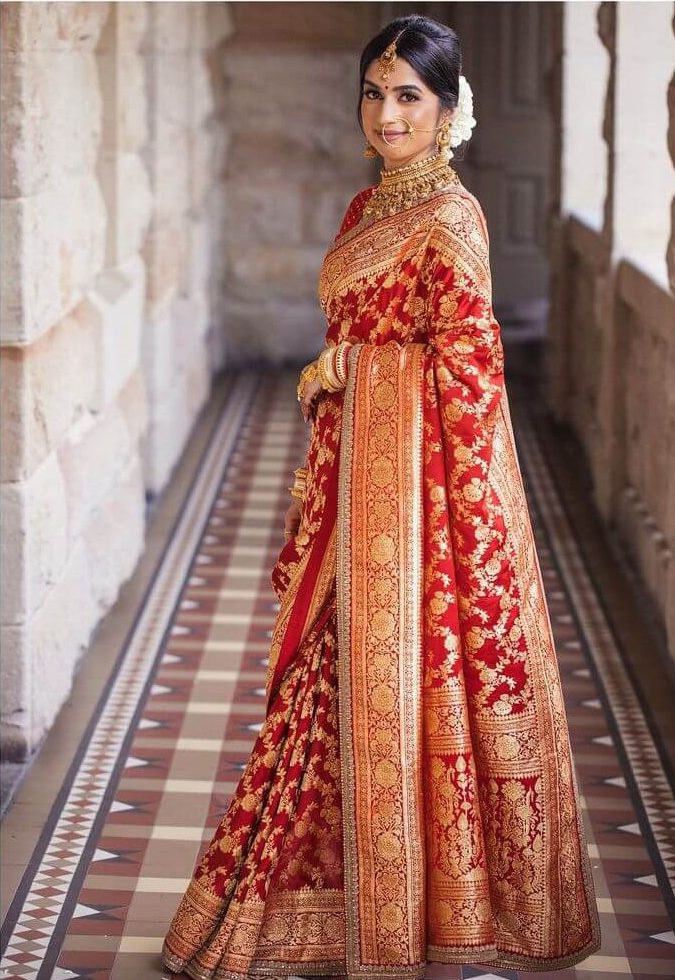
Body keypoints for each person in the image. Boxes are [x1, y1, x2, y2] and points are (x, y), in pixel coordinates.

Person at [162, 14, 601, 979]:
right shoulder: (369, 212)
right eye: (375, 92)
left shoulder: (453, 220)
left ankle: (418, 915)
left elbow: (472, 375)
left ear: (448, 111)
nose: (387, 112)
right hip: (349, 491)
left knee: (409, 698)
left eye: (409, 95)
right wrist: (342, 376)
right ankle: (320, 902)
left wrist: (351, 367)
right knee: (323, 695)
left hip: (420, 519)